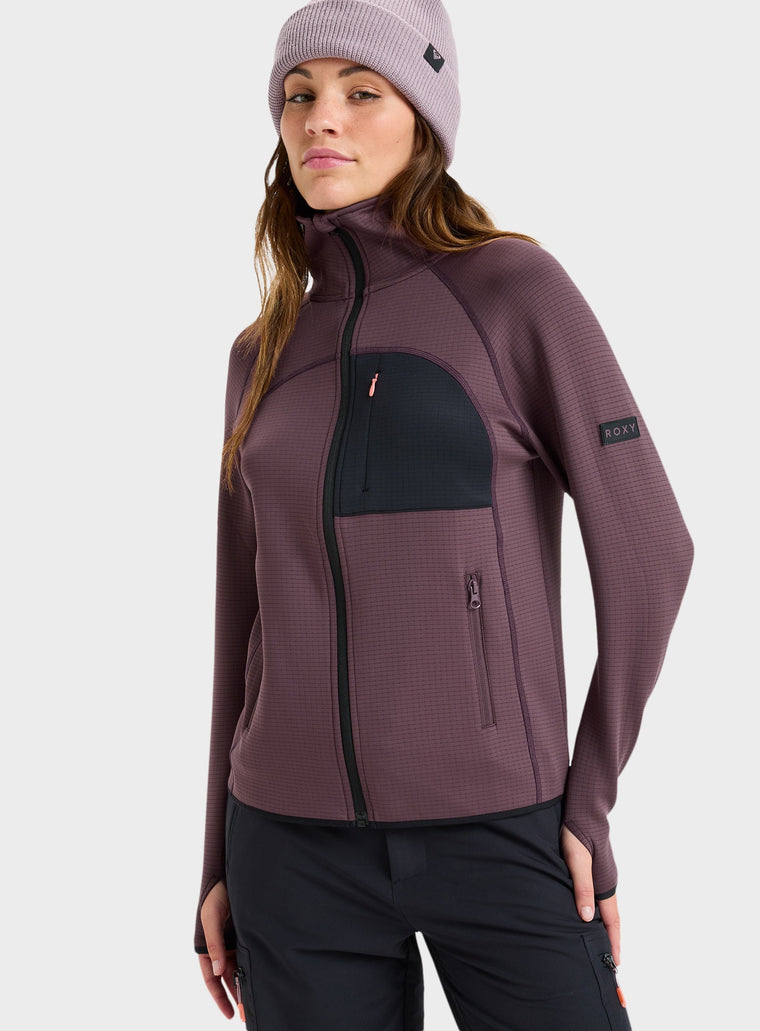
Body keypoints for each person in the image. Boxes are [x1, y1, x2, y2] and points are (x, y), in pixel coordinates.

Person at [194, 1, 693, 1028]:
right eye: (298, 95)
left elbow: (651, 551)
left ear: (423, 116)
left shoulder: (512, 292)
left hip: (500, 831)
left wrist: (589, 796)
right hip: (286, 846)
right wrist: (216, 854)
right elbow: (241, 616)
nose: (321, 117)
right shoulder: (260, 351)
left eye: (362, 91)